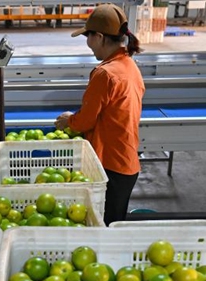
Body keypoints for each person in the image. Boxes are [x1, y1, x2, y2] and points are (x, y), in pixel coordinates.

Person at [54, 4, 145, 226]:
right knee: (113, 224)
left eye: (88, 36)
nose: (87, 43)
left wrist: (68, 121)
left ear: (100, 37)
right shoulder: (129, 66)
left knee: (102, 228)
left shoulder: (105, 73)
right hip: (126, 162)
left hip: (110, 166)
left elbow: (85, 121)